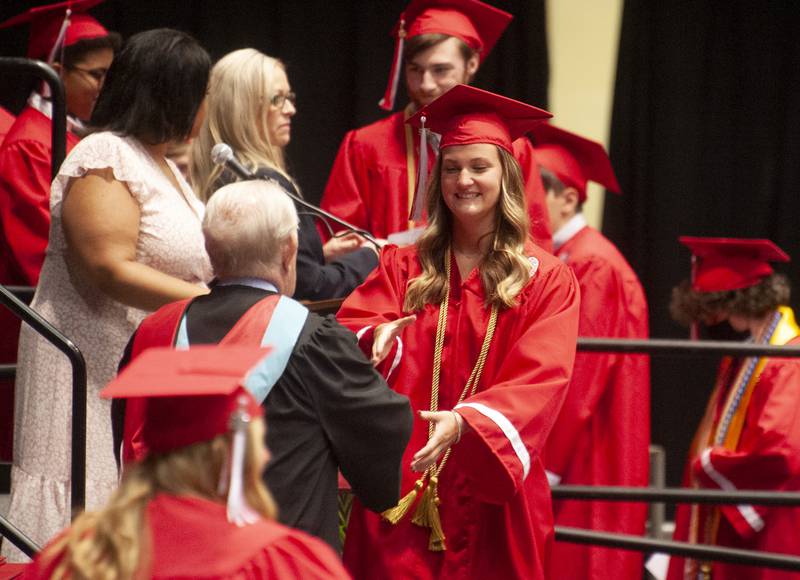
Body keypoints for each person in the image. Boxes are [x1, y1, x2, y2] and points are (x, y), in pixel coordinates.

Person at [336, 84, 580, 579]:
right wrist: (376, 342)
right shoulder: (404, 265)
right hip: (403, 482)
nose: (463, 180)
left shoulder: (546, 278)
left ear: (506, 177)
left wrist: (468, 424)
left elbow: (543, 375)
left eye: (479, 167)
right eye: (451, 168)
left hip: (493, 488)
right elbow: (354, 327)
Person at [2, 28, 213, 562]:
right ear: (174, 95)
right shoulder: (104, 155)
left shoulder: (160, 161)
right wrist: (211, 300)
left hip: (136, 366)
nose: (207, 106)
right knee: (81, 507)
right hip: (85, 364)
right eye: (201, 92)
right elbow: (108, 267)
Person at [114, 180, 413, 550]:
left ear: (211, 250)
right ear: (290, 249)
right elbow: (379, 426)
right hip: (275, 560)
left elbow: (127, 439)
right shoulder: (312, 337)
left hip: (165, 554)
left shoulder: (153, 332)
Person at [24, 346, 352, 579]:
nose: (266, 455)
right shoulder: (283, 563)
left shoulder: (77, 555)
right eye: (259, 444)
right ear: (231, 454)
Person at [319, 0, 552, 249]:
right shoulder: (365, 146)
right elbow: (340, 243)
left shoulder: (512, 149)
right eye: (415, 70)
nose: (426, 84)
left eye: (440, 70)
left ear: (472, 63)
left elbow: (533, 243)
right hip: (392, 284)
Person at [0, 0, 120, 467]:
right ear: (54, 69)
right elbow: (44, 249)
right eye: (96, 75)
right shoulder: (30, 143)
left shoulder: (72, 137)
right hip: (41, 321)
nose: (105, 88)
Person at [530, 123, 650, 580]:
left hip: (586, 451)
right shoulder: (573, 257)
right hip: (576, 446)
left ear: (569, 199)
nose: (525, 206)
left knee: (579, 559)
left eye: (535, 193)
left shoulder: (592, 263)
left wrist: (546, 463)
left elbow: (580, 375)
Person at [191, 48, 378, 302]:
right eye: (277, 99)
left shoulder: (217, 177)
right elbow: (309, 287)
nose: (290, 109)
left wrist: (319, 255)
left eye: (289, 97)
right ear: (243, 108)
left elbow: (251, 271)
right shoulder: (262, 184)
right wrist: (370, 255)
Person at [666, 237, 800, 580]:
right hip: (730, 524)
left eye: (718, 306)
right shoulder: (747, 353)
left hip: (768, 529)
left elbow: (782, 452)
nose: (716, 318)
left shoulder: (788, 358)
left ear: (736, 299)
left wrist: (712, 464)